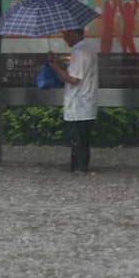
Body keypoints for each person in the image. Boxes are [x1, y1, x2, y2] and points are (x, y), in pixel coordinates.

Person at [47, 27, 99, 173]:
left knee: (78, 139)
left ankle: (79, 168)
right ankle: (79, 166)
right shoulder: (88, 48)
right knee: (82, 139)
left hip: (79, 102)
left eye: (66, 35)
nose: (64, 38)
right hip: (86, 102)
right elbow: (73, 71)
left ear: (74, 33)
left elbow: (73, 78)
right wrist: (58, 63)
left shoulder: (79, 52)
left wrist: (55, 67)